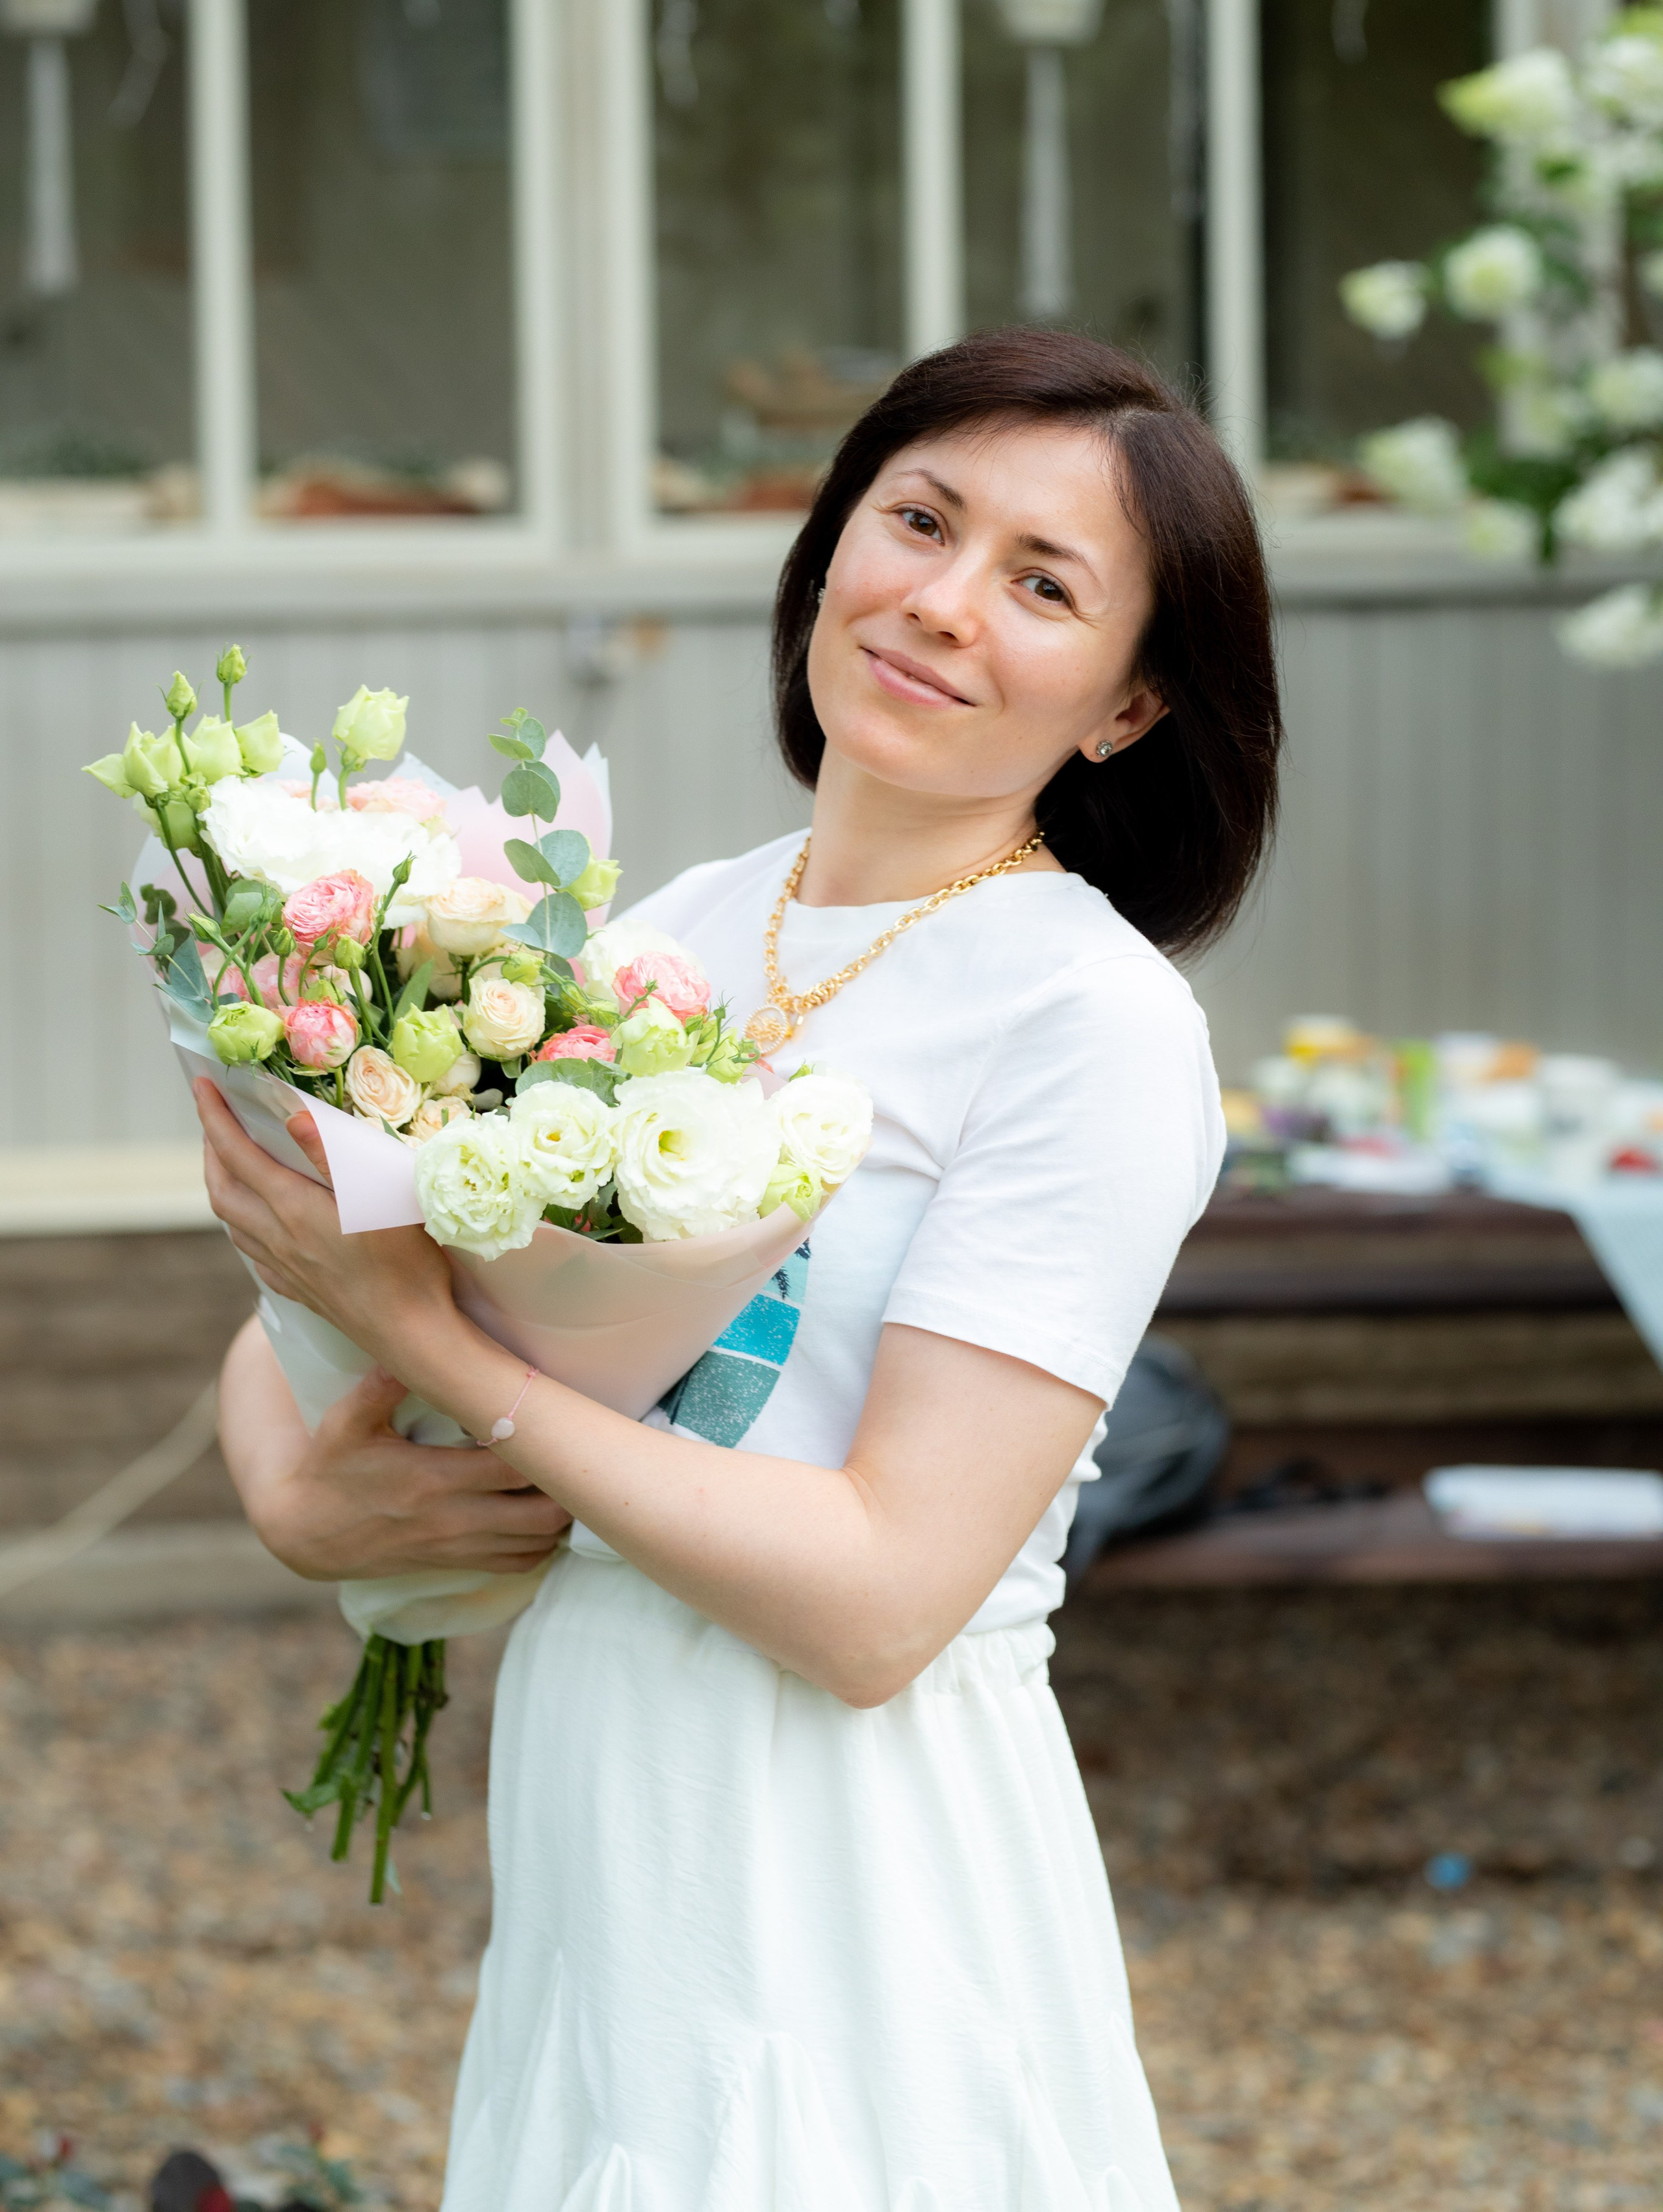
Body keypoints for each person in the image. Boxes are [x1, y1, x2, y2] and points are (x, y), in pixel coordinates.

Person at [201, 327, 1282, 2210]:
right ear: (831, 543)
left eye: (1043, 585)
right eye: (919, 520)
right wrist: (300, 1475)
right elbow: (337, 1306)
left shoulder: (1088, 1020)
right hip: (606, 1801)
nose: (945, 604)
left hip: (848, 1855)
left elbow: (880, 1604)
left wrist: (442, 1359)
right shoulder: (673, 932)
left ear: (1124, 706)